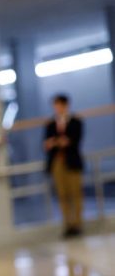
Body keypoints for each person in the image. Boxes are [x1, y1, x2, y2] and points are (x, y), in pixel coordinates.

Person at [44, 94, 85, 237]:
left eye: (59, 105)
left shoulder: (75, 122)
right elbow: (47, 143)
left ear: (66, 105)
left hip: (72, 162)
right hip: (57, 162)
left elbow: (72, 141)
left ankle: (77, 224)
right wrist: (57, 142)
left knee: (75, 193)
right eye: (55, 105)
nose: (57, 108)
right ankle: (67, 225)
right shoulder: (50, 124)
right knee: (62, 195)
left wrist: (58, 142)